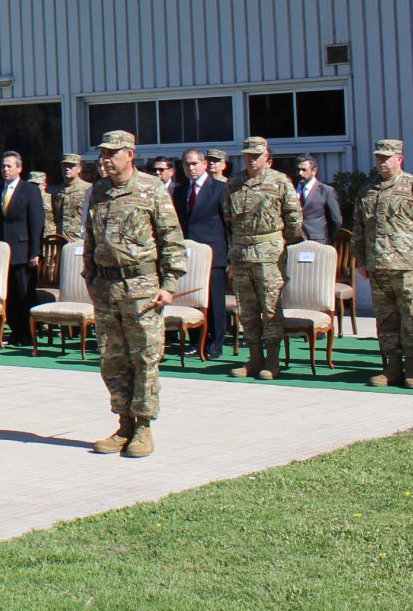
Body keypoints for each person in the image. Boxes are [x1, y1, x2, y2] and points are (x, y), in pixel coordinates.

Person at [83, 131, 187, 458]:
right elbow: (89, 239)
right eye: (102, 154)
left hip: (142, 289)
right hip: (106, 288)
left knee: (144, 357)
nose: (105, 159)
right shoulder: (98, 191)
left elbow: (172, 240)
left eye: (112, 153)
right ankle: (123, 422)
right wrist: (90, 276)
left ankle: (143, 426)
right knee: (112, 359)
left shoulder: (151, 189)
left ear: (130, 154)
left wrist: (169, 285)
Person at [351, 139, 413, 388]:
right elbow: (358, 228)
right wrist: (360, 259)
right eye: (378, 157)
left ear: (399, 159)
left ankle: (412, 370)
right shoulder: (368, 190)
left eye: (386, 157)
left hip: (407, 267)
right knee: (386, 320)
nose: (381, 161)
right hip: (378, 266)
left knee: (410, 319)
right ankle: (391, 368)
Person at [223, 137, 304, 379]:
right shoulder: (235, 183)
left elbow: (294, 220)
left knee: (270, 309)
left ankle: (272, 361)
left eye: (256, 155)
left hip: (269, 253)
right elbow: (228, 218)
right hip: (241, 253)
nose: (251, 159)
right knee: (246, 310)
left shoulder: (279, 182)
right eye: (248, 154)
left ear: (268, 157)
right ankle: (254, 359)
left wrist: (278, 242)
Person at [0, 149, 45, 346]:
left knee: (24, 294)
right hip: (2, 254)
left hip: (23, 251)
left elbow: (36, 224)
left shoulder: (30, 191)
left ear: (19, 168)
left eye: (9, 166)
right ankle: (15, 332)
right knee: (8, 295)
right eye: (2, 166)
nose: (5, 169)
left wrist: (35, 252)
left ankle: (28, 334)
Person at [176, 148, 229, 358]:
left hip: (213, 252)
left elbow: (228, 223)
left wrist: (229, 253)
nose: (191, 168)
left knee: (214, 301)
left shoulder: (219, 189)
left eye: (195, 163)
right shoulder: (180, 191)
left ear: (204, 164)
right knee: (193, 299)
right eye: (187, 164)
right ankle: (195, 341)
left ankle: (215, 343)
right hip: (189, 254)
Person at [296, 157, 343, 243]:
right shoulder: (292, 190)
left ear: (314, 171)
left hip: (317, 242)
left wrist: (326, 239)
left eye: (304, 170)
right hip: (295, 242)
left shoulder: (326, 191)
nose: (300, 173)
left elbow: (336, 221)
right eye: (298, 169)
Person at [54, 153, 91, 246]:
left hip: (79, 241)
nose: (67, 168)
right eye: (64, 165)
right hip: (59, 242)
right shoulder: (57, 191)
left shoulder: (88, 189)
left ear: (79, 168)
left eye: (71, 166)